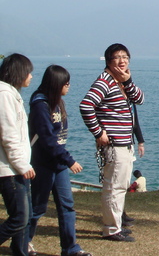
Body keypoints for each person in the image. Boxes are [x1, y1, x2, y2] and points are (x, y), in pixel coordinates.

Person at [80, 44, 144, 242]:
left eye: (125, 57)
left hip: (125, 144)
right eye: (117, 57)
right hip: (114, 146)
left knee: (119, 187)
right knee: (114, 188)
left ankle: (115, 225)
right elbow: (86, 105)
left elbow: (140, 99)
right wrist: (98, 133)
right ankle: (111, 229)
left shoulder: (121, 82)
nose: (122, 60)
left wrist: (129, 81)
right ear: (109, 61)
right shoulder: (105, 81)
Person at [28, 65, 91, 256]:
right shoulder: (40, 105)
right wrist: (70, 160)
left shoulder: (58, 102)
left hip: (59, 164)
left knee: (67, 206)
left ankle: (70, 248)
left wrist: (64, 160)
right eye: (66, 83)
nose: (69, 86)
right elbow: (47, 139)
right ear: (56, 84)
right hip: (43, 163)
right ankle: (23, 243)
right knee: (37, 207)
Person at [0, 54, 35, 256]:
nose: (30, 76)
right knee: (20, 217)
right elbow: (9, 135)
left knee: (25, 216)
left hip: (16, 166)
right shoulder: (4, 94)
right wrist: (22, 165)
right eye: (28, 72)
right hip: (9, 168)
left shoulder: (12, 92)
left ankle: (20, 251)